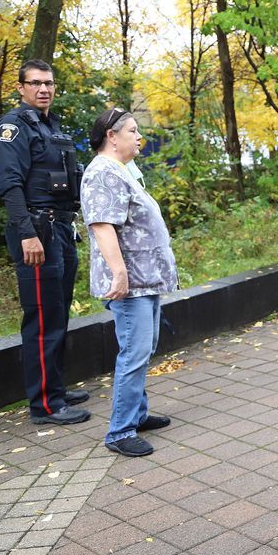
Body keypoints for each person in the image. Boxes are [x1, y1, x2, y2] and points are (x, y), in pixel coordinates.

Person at [0, 59, 90, 424]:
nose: (43, 89)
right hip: (37, 232)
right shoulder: (13, 127)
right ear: (21, 88)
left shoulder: (51, 127)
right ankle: (45, 406)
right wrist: (28, 234)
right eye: (35, 83)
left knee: (58, 312)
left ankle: (56, 389)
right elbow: (10, 185)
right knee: (42, 318)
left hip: (61, 230)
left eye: (48, 83)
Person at [80, 107, 178, 456]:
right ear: (112, 135)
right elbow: (102, 225)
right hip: (131, 282)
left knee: (143, 348)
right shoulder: (102, 173)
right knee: (134, 353)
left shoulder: (119, 170)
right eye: (133, 131)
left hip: (144, 279)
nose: (140, 138)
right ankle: (120, 432)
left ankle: (136, 414)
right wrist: (119, 273)